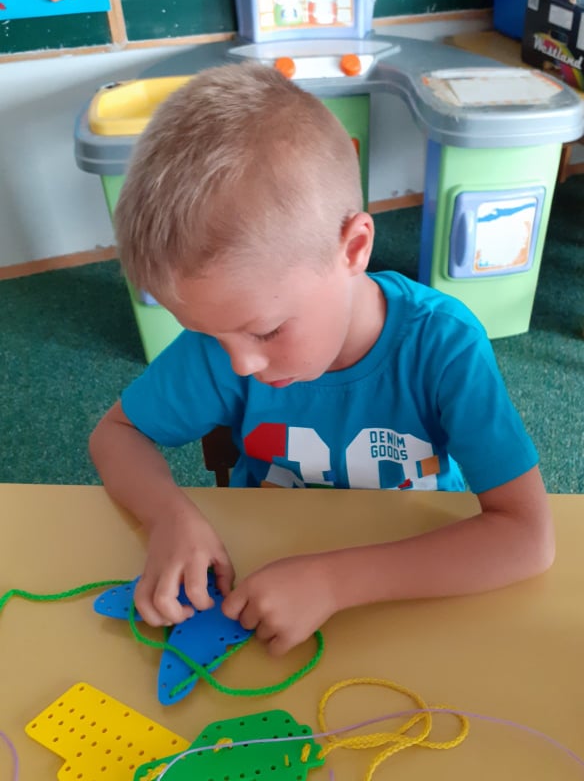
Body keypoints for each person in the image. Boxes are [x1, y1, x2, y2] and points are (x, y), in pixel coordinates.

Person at [89, 61, 554, 658]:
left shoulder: (443, 346)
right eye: (205, 333)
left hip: (418, 580)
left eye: (266, 331)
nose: (240, 364)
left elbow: (527, 536)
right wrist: (167, 517)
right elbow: (117, 433)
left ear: (354, 248)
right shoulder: (226, 340)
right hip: (267, 578)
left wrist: (335, 582)